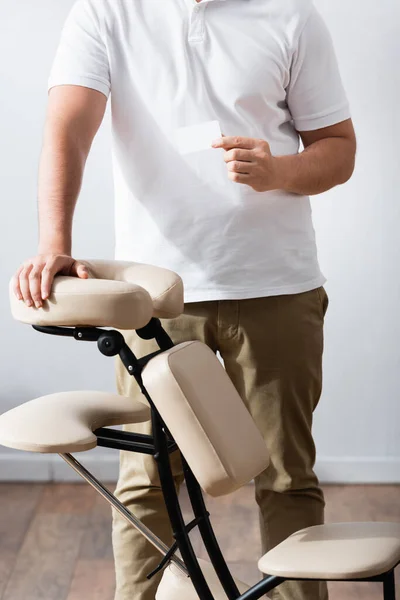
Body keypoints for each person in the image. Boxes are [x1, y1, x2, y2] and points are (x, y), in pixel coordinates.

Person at [12, 0, 356, 598]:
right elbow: (67, 127)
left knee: (286, 477)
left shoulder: (291, 16)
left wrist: (277, 172)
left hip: (278, 286)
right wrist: (54, 244)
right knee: (148, 479)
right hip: (152, 299)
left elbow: (338, 148)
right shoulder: (104, 12)